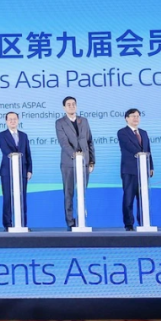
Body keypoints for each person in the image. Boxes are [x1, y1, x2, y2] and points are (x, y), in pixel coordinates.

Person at [55, 96, 94, 230]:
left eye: (73, 104)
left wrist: (92, 161)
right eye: (69, 104)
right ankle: (70, 222)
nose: (71, 106)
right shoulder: (60, 122)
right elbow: (63, 142)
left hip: (84, 162)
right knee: (69, 193)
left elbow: (89, 141)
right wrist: (74, 154)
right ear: (64, 107)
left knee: (82, 193)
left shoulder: (84, 121)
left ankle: (81, 220)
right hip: (69, 163)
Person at [117, 108, 153, 231]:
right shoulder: (122, 132)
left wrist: (150, 166)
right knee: (128, 198)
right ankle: (129, 224)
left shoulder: (144, 133)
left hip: (143, 170)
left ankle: (143, 222)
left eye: (137, 116)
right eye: (133, 116)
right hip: (129, 170)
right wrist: (140, 154)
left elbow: (148, 150)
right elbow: (129, 146)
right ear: (126, 118)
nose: (135, 118)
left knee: (143, 198)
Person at [0, 111, 32, 230]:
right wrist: (14, 156)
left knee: (22, 198)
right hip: (7, 171)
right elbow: (5, 150)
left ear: (18, 120)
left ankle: (22, 223)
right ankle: (8, 224)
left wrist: (29, 170)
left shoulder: (24, 135)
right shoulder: (1, 135)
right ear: (6, 121)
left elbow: (28, 153)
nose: (13, 121)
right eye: (10, 119)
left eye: (15, 119)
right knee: (8, 198)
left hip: (22, 171)